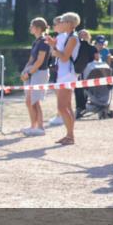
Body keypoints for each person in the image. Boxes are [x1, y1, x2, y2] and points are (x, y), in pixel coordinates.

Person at [44, 12, 80, 145]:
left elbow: (64, 57)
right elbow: (62, 55)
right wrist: (53, 45)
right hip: (64, 73)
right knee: (67, 106)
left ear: (70, 23)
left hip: (67, 74)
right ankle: (69, 135)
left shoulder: (73, 38)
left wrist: (54, 50)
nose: (61, 23)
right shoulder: (69, 37)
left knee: (62, 107)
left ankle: (70, 136)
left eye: (63, 21)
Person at [21, 17, 51, 136]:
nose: (30, 28)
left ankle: (40, 128)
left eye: (32, 26)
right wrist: (24, 71)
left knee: (35, 101)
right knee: (29, 101)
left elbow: (39, 61)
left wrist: (28, 73)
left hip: (40, 73)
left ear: (38, 28)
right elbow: (31, 59)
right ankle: (33, 126)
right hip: (32, 72)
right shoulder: (36, 41)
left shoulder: (44, 41)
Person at [73, 29, 97, 119]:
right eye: (81, 35)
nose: (83, 37)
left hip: (89, 70)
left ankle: (85, 106)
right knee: (78, 89)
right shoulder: (76, 47)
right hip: (78, 70)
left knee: (87, 89)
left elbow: (96, 58)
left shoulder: (92, 48)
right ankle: (79, 107)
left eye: (85, 35)